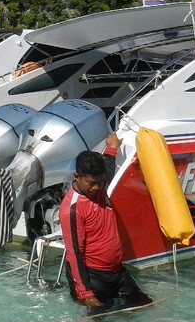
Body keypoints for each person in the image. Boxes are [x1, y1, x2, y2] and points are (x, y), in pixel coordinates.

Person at [59, 133, 151, 310]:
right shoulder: (72, 209)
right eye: (91, 183)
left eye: (101, 182)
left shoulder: (99, 185)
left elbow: (108, 165)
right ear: (76, 176)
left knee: (146, 307)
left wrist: (113, 146)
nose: (97, 188)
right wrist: (87, 295)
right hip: (93, 279)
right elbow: (74, 253)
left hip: (117, 272)